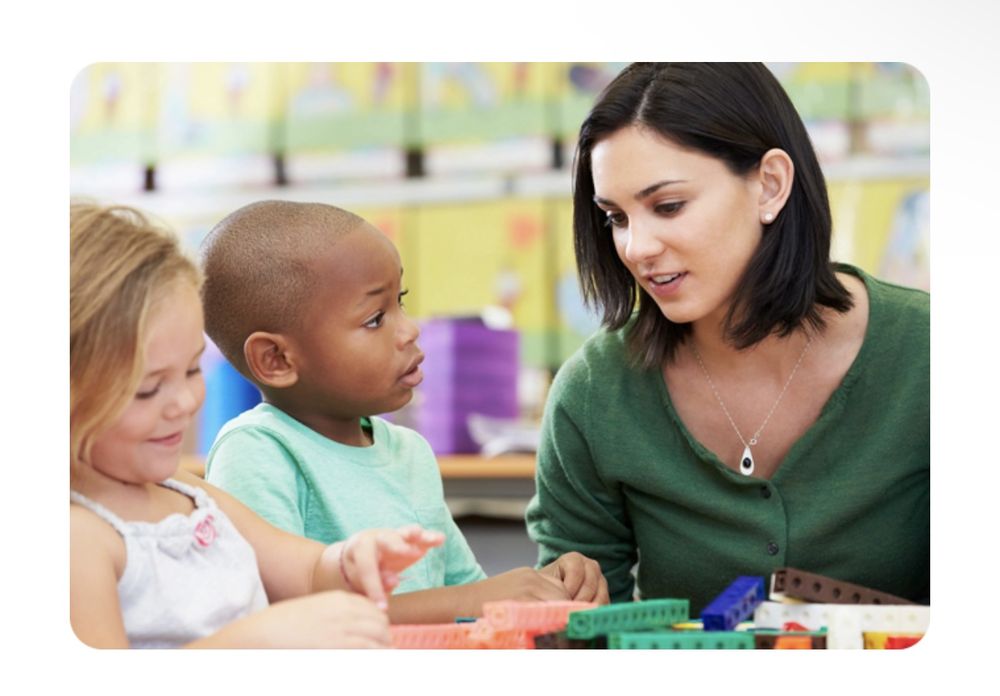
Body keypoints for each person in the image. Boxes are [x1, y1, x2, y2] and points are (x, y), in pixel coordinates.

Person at [525, 62, 929, 614]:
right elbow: (581, 635)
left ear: (770, 185)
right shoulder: (595, 393)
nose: (637, 247)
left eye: (668, 206)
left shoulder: (933, 352)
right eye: (616, 218)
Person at [200, 200, 608, 624]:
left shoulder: (409, 450)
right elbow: (287, 620)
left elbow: (465, 599)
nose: (410, 329)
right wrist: (481, 600)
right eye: (376, 318)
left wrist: (548, 588)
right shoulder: (256, 450)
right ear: (277, 360)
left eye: (401, 301)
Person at [70, 201, 444, 649]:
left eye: (191, 370)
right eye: (149, 389)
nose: (185, 403)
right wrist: (250, 643)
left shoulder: (186, 492)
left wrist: (350, 559)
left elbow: (305, 571)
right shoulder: (77, 538)